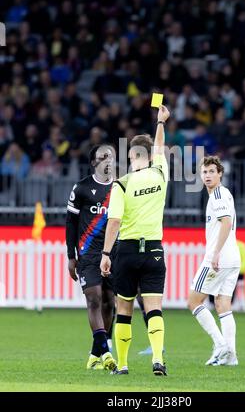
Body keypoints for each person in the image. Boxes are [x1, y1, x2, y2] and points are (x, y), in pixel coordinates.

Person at [100, 105, 170, 376]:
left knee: (124, 309)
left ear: (131, 156)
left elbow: (114, 222)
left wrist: (106, 253)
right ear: (149, 156)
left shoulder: (122, 183)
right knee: (154, 308)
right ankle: (157, 359)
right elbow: (161, 149)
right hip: (153, 249)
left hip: (127, 251)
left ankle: (124, 364)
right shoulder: (160, 174)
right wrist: (160, 122)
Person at [66, 144, 117, 372]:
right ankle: (106, 352)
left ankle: (95, 354)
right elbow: (71, 223)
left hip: (114, 252)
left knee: (110, 304)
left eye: (111, 156)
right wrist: (71, 256)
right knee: (94, 299)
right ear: (94, 162)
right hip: (87, 253)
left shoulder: (120, 188)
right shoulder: (82, 188)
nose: (108, 160)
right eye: (103, 156)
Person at [188, 155, 240, 366]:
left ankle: (221, 345)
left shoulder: (218, 195)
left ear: (220, 173)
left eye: (212, 171)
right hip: (233, 258)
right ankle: (231, 356)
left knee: (193, 301)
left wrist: (216, 252)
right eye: (204, 172)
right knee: (222, 304)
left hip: (218, 258)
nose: (207, 175)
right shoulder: (225, 193)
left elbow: (226, 223)